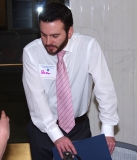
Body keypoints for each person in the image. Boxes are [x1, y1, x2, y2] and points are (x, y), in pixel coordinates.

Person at [22, 2, 119, 160]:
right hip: (43, 130)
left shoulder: (88, 47)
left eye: (55, 36)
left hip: (78, 128)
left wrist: (108, 131)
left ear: (70, 31)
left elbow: (104, 88)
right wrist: (56, 135)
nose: (48, 42)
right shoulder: (32, 53)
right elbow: (36, 99)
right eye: (43, 35)